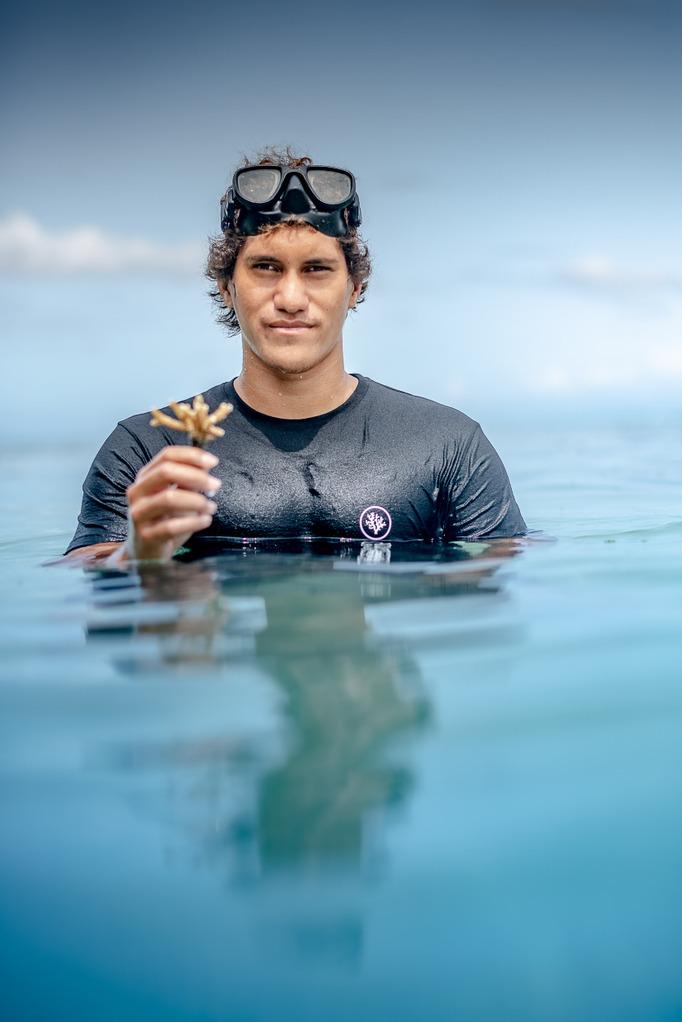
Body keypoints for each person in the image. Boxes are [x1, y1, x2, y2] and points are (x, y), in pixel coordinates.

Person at [64, 146, 525, 565]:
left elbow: (503, 576)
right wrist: (136, 554)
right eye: (265, 267)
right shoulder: (148, 450)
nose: (290, 297)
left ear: (354, 288)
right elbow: (83, 583)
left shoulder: (446, 445)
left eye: (316, 269)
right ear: (227, 287)